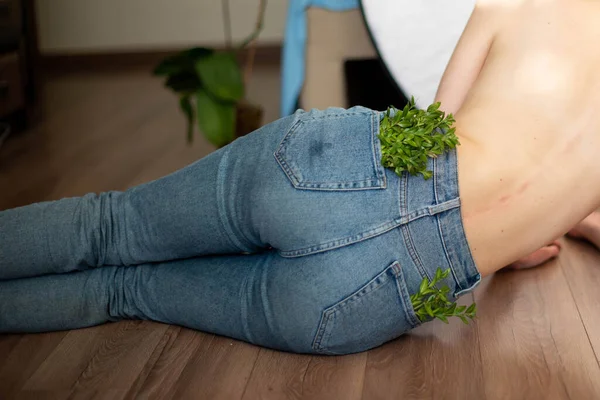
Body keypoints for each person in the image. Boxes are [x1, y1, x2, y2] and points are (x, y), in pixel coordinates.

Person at [2, 0, 600, 355]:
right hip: (366, 299)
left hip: (331, 173)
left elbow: (436, 130)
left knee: (110, 225)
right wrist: (534, 230)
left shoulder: (522, 5)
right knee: (123, 294)